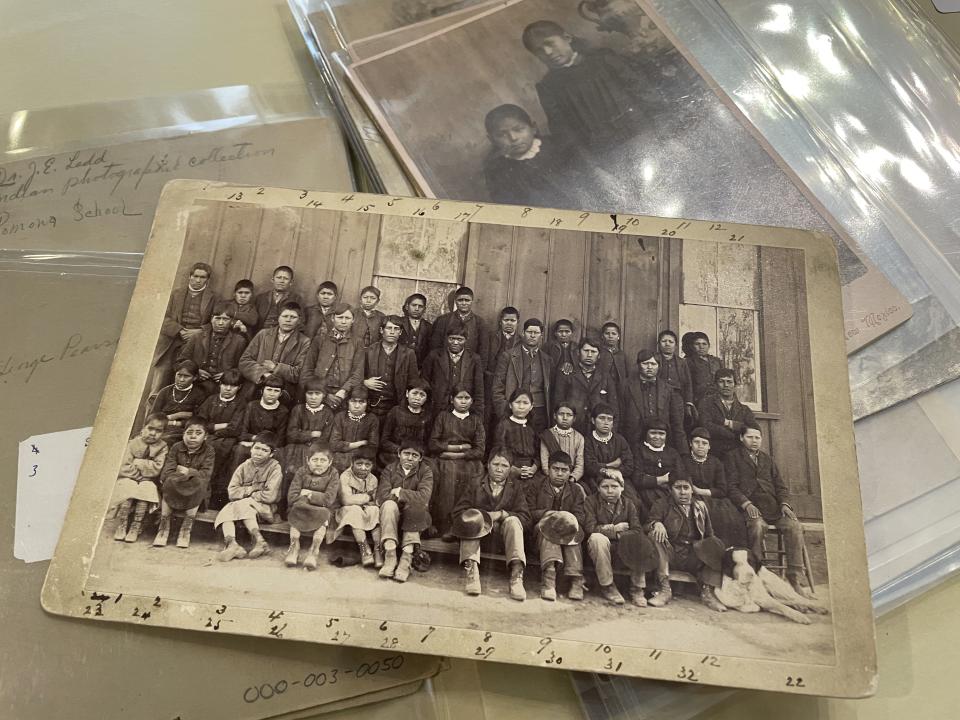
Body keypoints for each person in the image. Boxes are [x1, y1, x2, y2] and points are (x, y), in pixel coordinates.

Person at [521, 20, 650, 154]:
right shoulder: (548, 87)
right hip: (606, 152)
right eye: (539, 50)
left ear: (567, 38)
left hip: (645, 133)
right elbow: (565, 134)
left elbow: (645, 93)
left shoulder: (604, 59)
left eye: (549, 43)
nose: (547, 52)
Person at [725, 424, 808, 594]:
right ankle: (758, 572)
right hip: (751, 507)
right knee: (757, 527)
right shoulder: (732, 457)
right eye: (750, 437)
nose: (754, 441)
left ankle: (794, 577)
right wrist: (746, 504)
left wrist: (785, 504)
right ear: (741, 438)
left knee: (794, 526)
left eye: (757, 438)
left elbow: (781, 487)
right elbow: (731, 487)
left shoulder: (767, 459)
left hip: (774, 508)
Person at [451, 448, 530, 601]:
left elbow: (526, 518)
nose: (499, 469)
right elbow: (458, 512)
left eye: (504, 466)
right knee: (471, 519)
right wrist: (480, 516)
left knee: (513, 521)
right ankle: (472, 571)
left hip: (503, 542)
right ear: (488, 465)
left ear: (511, 469)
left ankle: (516, 576)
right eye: (495, 464)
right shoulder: (475, 483)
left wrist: (502, 514)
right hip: (477, 540)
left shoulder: (516, 487)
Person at [645, 474, 727, 612]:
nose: (682, 492)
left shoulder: (700, 506)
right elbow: (646, 525)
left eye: (686, 488)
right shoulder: (662, 504)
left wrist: (711, 547)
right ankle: (664, 589)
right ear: (670, 489)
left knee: (714, 544)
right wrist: (656, 523)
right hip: (670, 553)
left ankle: (708, 592)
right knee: (655, 535)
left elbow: (709, 534)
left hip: (692, 554)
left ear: (692, 490)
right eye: (677, 488)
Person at [481, 104, 585, 207]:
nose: (513, 138)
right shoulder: (496, 171)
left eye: (518, 129)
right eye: (502, 135)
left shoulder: (557, 146)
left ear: (533, 128)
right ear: (492, 140)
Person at [524, 451, 587, 601]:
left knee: (574, 530)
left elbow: (581, 516)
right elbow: (527, 512)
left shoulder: (576, 490)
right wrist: (547, 513)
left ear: (570, 471)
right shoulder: (535, 485)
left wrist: (565, 518)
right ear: (548, 468)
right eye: (555, 469)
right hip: (539, 534)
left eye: (564, 470)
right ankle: (549, 579)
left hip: (567, 533)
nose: (559, 473)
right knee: (548, 527)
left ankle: (576, 580)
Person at [584, 474, 654, 606]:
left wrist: (620, 536)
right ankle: (608, 586)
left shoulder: (628, 503)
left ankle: (637, 588)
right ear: (598, 488)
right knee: (597, 538)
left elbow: (637, 529)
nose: (610, 491)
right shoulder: (590, 501)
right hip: (599, 552)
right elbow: (590, 528)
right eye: (605, 486)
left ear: (622, 487)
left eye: (614, 486)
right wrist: (614, 529)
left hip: (623, 550)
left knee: (639, 540)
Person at [150, 262, 217, 397]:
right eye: (195, 276)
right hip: (170, 342)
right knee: (160, 382)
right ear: (189, 276)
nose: (198, 280)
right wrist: (179, 330)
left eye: (203, 277)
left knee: (187, 379)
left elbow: (216, 321)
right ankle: (151, 416)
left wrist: (200, 331)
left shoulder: (214, 297)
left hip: (195, 342)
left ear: (207, 280)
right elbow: (160, 317)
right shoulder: (175, 294)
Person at [215, 431, 283, 561]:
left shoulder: (275, 468)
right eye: (256, 448)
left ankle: (234, 544)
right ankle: (255, 542)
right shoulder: (244, 466)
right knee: (236, 506)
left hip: (265, 510)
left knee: (235, 506)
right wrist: (252, 489)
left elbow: (269, 496)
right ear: (251, 449)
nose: (259, 452)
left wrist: (245, 494)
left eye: (264, 450)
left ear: (271, 454)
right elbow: (232, 492)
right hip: (246, 508)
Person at [428, 386, 486, 540]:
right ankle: (445, 525)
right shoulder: (443, 417)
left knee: (472, 476)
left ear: (472, 401)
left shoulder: (475, 420)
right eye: (459, 398)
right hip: (445, 461)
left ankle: (464, 525)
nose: (463, 402)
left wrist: (455, 453)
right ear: (451, 399)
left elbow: (480, 450)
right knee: (449, 475)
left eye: (467, 398)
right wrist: (456, 447)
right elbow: (433, 444)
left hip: (468, 461)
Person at [377, 440, 434, 583]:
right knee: (389, 505)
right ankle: (390, 557)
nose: (409, 458)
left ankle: (405, 561)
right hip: (392, 516)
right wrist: (408, 497)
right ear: (398, 454)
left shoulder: (425, 471)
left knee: (415, 508)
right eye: (406, 454)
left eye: (414, 455)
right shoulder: (390, 469)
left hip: (416, 517)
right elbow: (383, 496)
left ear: (420, 458)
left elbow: (424, 497)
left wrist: (400, 492)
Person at [153, 417, 215, 548]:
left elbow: (205, 474)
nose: (193, 437)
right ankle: (163, 528)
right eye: (189, 433)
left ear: (205, 437)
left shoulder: (209, 451)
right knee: (169, 481)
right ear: (183, 434)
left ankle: (186, 530)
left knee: (199, 484)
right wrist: (188, 476)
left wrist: (187, 471)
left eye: (198, 433)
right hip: (175, 485)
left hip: (196, 489)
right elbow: (167, 471)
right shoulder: (176, 447)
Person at [682, 427, 747, 548]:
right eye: (697, 442)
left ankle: (729, 550)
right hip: (693, 499)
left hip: (716, 499)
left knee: (730, 516)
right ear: (690, 444)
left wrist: (700, 491)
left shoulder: (716, 462)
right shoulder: (684, 461)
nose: (700, 446)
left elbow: (722, 490)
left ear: (709, 446)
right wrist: (694, 492)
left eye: (704, 443)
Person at [282, 378, 335, 517]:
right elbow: (291, 434)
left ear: (324, 395)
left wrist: (312, 441)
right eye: (310, 393)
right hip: (295, 448)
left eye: (317, 394)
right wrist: (311, 434)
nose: (313, 397)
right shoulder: (298, 409)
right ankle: (288, 508)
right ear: (305, 394)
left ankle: (309, 509)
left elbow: (326, 438)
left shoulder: (328, 413)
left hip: (316, 451)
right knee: (289, 471)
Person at [238, 301, 311, 402]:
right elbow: (244, 361)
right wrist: (264, 374)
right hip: (256, 386)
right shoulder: (263, 334)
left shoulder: (304, 342)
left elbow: (298, 373)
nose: (288, 320)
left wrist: (276, 368)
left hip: (283, 391)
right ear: (278, 317)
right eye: (285, 316)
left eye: (293, 317)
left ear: (299, 320)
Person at [113, 413, 169, 542]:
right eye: (150, 428)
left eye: (158, 431)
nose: (153, 433)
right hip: (130, 477)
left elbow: (157, 468)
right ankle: (122, 524)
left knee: (146, 489)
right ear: (143, 427)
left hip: (148, 481)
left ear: (163, 433)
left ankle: (136, 525)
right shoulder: (133, 443)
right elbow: (124, 465)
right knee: (128, 487)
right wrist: (140, 476)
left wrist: (139, 462)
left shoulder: (163, 447)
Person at [491, 318, 553, 433]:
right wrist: (505, 411)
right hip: (515, 410)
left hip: (539, 412)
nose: (533, 336)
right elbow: (497, 388)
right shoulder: (508, 356)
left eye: (536, 333)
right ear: (523, 333)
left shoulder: (547, 360)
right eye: (529, 332)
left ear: (541, 336)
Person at [285, 442, 340, 570]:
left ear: (330, 462)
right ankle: (294, 548)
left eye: (323, 460)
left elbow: (329, 499)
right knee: (295, 514)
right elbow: (292, 497)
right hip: (301, 508)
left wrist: (308, 493)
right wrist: (315, 497)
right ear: (308, 460)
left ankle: (314, 551)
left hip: (322, 510)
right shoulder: (301, 472)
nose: (319, 463)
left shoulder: (333, 474)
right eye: (315, 460)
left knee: (323, 519)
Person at [300, 303, 364, 411]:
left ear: (353, 320)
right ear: (333, 318)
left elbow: (358, 373)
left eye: (347, 318)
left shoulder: (357, 342)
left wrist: (343, 391)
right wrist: (323, 394)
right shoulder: (319, 340)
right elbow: (307, 369)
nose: (343, 321)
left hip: (344, 395)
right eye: (340, 317)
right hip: (319, 394)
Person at [195, 369, 245, 509]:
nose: (228, 389)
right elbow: (201, 422)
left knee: (220, 451)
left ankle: (212, 496)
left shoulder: (241, 404)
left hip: (227, 440)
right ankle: (198, 492)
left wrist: (213, 430)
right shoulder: (211, 400)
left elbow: (235, 428)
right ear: (220, 384)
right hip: (208, 436)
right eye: (225, 384)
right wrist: (220, 426)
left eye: (233, 386)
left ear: (239, 387)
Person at [622, 349, 686, 454]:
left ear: (659, 366)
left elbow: (676, 422)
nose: (649, 367)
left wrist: (684, 453)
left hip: (661, 442)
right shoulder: (626, 386)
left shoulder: (667, 389)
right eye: (645, 363)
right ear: (638, 365)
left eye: (653, 364)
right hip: (633, 441)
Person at [177, 302, 246, 396]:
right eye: (217, 318)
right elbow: (182, 360)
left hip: (223, 386)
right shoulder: (197, 337)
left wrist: (227, 375)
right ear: (211, 319)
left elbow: (241, 367)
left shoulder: (239, 341)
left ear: (232, 321)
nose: (221, 323)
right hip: (196, 382)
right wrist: (196, 371)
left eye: (225, 319)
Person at [553, 337, 618, 435]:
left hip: (597, 430)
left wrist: (612, 432)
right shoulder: (566, 374)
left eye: (593, 352)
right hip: (572, 428)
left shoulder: (606, 377)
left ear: (599, 355)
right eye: (586, 351)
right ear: (579, 352)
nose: (589, 355)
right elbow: (557, 403)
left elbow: (613, 407)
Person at [421, 321, 485, 418]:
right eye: (452, 339)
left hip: (463, 411)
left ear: (466, 339)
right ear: (447, 338)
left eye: (460, 339)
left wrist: (478, 414)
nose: (455, 342)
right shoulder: (434, 356)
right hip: (437, 409)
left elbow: (479, 390)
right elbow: (424, 383)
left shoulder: (475, 359)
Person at [228, 376, 289, 474]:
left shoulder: (283, 411)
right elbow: (242, 434)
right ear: (262, 391)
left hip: (270, 447)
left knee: (279, 455)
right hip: (249, 444)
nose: (272, 394)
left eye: (276, 391)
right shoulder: (252, 406)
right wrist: (255, 440)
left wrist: (260, 442)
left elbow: (280, 439)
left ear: (280, 393)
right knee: (239, 450)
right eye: (269, 390)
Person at [363, 315, 419, 420]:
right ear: (381, 330)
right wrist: (365, 382)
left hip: (396, 405)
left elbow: (413, 381)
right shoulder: (369, 351)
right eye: (389, 328)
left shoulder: (408, 353)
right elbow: (358, 374)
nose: (392, 332)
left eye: (396, 329)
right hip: (371, 404)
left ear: (400, 332)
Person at [335, 448, 382, 567]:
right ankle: (364, 548)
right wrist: (367, 496)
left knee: (375, 510)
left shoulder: (373, 479)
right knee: (354, 509)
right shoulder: (345, 476)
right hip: (346, 514)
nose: (363, 468)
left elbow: (376, 502)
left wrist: (364, 500)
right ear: (352, 462)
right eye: (359, 464)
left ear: (372, 465)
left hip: (365, 512)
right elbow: (346, 500)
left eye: (368, 465)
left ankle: (378, 550)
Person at [697, 368, 757, 460]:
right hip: (713, 454)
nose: (726, 385)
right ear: (716, 384)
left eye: (729, 382)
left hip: (738, 455)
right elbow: (705, 425)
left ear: (735, 385)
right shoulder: (706, 403)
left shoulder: (744, 410)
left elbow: (754, 429)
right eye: (721, 381)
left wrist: (729, 423)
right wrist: (736, 432)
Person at [149, 359, 206, 446]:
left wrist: (177, 423)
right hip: (161, 427)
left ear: (195, 377)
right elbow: (153, 415)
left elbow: (197, 420)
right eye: (179, 375)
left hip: (182, 431)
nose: (181, 379)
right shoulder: (165, 391)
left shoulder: (199, 394)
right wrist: (177, 415)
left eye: (186, 376)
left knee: (165, 441)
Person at [378, 378, 431, 470]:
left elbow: (427, 443)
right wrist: (401, 451)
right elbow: (384, 441)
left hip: (417, 456)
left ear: (426, 399)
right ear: (407, 394)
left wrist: (416, 454)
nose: (417, 397)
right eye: (414, 393)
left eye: (422, 395)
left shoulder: (427, 416)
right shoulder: (396, 411)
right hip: (394, 454)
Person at [583, 403, 634, 496]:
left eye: (609, 419)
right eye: (602, 418)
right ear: (593, 420)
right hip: (596, 479)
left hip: (619, 476)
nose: (606, 422)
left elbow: (629, 465)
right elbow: (590, 467)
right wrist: (610, 466)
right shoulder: (588, 441)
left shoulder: (620, 440)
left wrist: (616, 472)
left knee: (632, 500)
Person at [492, 389, 540, 486]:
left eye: (525, 403)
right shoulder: (504, 425)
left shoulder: (532, 427)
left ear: (531, 406)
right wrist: (515, 470)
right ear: (510, 405)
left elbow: (538, 452)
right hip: (510, 469)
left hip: (531, 472)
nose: (521, 407)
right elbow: (499, 451)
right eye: (517, 402)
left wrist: (534, 468)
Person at [429, 286, 489, 363]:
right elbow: (434, 346)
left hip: (469, 367)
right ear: (455, 301)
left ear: (472, 301)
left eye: (467, 300)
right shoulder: (443, 320)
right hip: (445, 365)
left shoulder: (480, 322)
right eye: (460, 300)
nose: (464, 303)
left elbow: (483, 350)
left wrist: (479, 370)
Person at [634, 421, 685, 510]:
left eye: (661, 434)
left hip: (669, 491)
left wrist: (650, 478)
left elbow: (680, 475)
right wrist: (662, 479)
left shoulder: (672, 452)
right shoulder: (638, 450)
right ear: (646, 433)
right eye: (653, 433)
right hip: (646, 493)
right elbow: (637, 478)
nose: (657, 437)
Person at [329, 386, 379, 473]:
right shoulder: (340, 417)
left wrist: (346, 447)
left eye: (361, 402)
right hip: (340, 461)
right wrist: (360, 443)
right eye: (353, 401)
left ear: (367, 403)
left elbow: (372, 447)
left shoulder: (372, 419)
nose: (356, 406)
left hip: (362, 463)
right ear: (348, 401)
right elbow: (333, 444)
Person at [539, 402, 585, 486]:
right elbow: (544, 463)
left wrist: (572, 478)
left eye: (569, 415)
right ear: (555, 416)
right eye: (561, 414)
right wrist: (553, 477)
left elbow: (580, 464)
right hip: (550, 477)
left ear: (574, 418)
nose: (565, 418)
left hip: (571, 478)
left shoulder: (579, 438)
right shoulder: (547, 435)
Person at [654, 330, 694, 421]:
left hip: (677, 398)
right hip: (658, 396)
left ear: (675, 345)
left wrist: (688, 403)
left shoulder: (682, 362)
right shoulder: (653, 360)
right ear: (659, 344)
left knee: (677, 422)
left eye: (671, 342)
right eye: (664, 341)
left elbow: (688, 383)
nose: (667, 344)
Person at [254, 265, 303, 333]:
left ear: (291, 282)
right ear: (272, 280)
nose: (281, 281)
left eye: (285, 278)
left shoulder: (296, 299)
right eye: (279, 277)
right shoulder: (261, 298)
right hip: (261, 334)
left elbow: (300, 322)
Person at [596, 322, 629, 413]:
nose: (610, 336)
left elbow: (627, 374)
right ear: (602, 336)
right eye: (607, 333)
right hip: (602, 388)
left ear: (618, 337)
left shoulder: (622, 355)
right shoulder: (599, 353)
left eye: (614, 334)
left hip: (619, 390)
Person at [686, 331, 723, 405]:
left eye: (704, 344)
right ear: (692, 346)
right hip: (698, 400)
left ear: (708, 346)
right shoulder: (688, 362)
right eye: (697, 344)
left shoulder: (716, 361)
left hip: (717, 399)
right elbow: (687, 384)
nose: (701, 347)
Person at [399, 292, 432, 365]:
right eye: (414, 305)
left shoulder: (429, 327)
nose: (417, 309)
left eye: (420, 306)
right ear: (407, 307)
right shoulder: (398, 323)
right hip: (399, 364)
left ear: (424, 309)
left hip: (419, 366)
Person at [545, 318, 577, 385]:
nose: (564, 334)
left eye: (567, 332)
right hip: (554, 381)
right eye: (560, 332)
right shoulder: (548, 346)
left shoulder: (577, 347)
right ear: (555, 333)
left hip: (573, 382)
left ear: (572, 333)